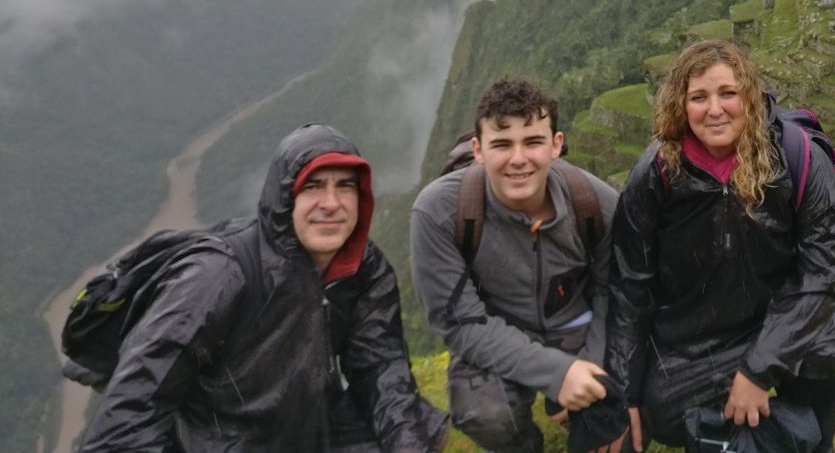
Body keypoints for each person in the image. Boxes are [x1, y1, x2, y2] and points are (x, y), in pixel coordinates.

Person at [79, 124, 448, 452]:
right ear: (285, 198)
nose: (331, 204)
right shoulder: (216, 275)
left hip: (310, 426)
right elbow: (133, 410)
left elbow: (380, 368)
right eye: (313, 187)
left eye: (345, 187)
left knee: (419, 428)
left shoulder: (363, 267)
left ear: (361, 198)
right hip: (220, 440)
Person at [600, 40, 835, 452]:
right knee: (661, 407)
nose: (714, 109)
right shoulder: (656, 175)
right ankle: (754, 430)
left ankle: (813, 435)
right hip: (712, 316)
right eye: (699, 97)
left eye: (727, 93)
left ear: (748, 95)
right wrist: (624, 395)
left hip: (808, 302)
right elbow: (630, 286)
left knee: (824, 357)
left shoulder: (798, 157)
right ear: (681, 104)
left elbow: (823, 272)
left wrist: (757, 371)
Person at [411, 77, 619, 453]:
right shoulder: (440, 212)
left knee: (623, 419)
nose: (518, 159)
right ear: (478, 149)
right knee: (487, 414)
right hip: (494, 327)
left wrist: (591, 368)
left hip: (576, 326)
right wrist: (557, 375)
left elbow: (615, 293)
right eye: (502, 144)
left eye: (533, 141)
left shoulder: (594, 203)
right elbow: (460, 322)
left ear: (556, 145)